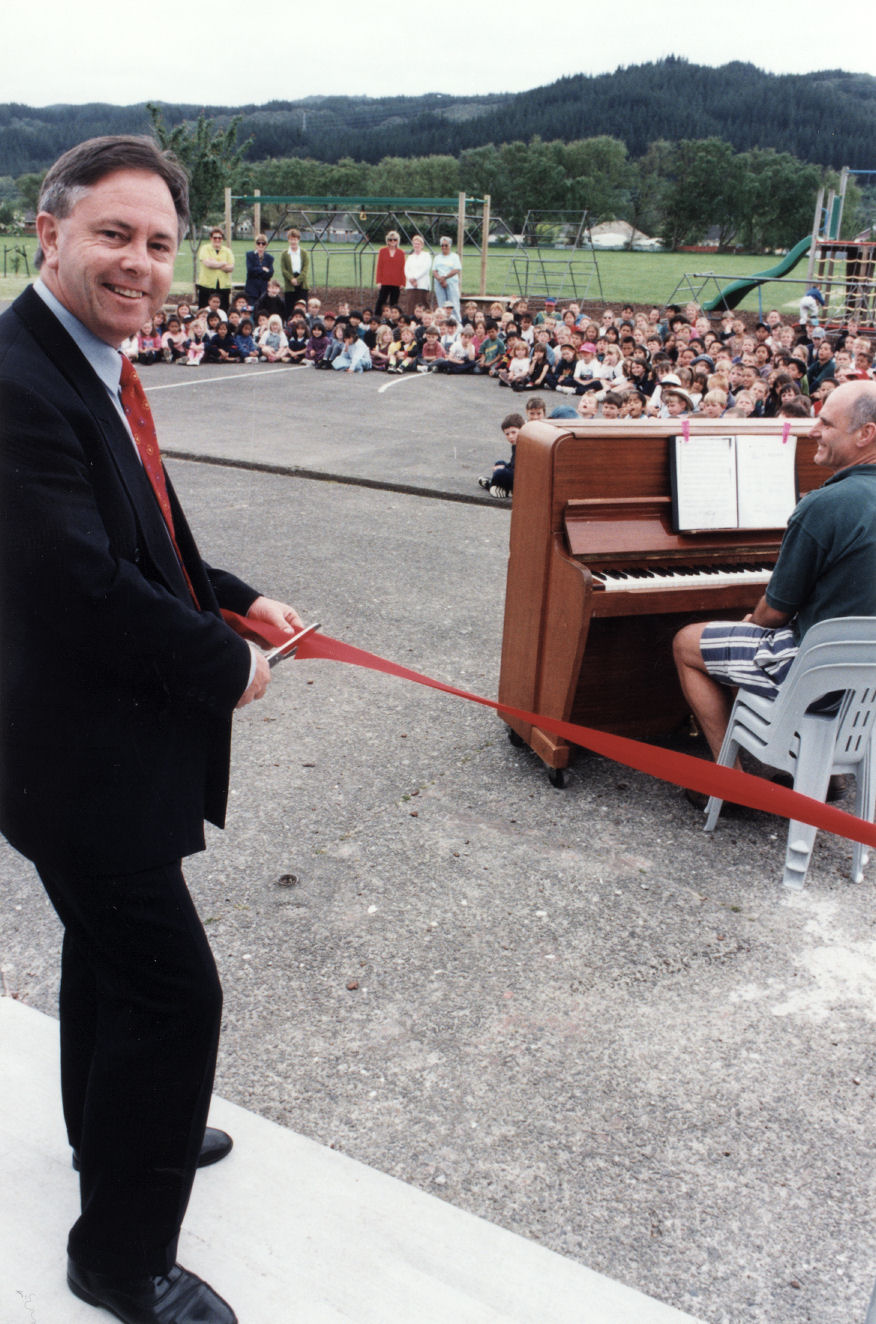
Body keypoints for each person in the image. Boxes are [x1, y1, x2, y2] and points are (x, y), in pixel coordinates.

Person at [0, 135, 304, 1324]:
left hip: (83, 752)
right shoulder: (18, 383)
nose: (141, 263)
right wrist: (223, 663)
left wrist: (230, 594)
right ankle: (122, 1256)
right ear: (52, 232)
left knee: (107, 956)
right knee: (176, 995)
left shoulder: (84, 363)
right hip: (76, 761)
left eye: (162, 244)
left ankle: (111, 1133)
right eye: (115, 235)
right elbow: (74, 584)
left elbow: (143, 529)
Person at [673, 381, 876, 794]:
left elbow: (775, 612)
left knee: (685, 642)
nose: (811, 431)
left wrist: (755, 619)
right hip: (867, 686)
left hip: (817, 680)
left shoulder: (826, 504)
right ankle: (826, 768)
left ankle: (730, 780)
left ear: (865, 434)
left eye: (825, 422)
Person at [477, 412, 522, 499]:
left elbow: (518, 470)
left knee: (499, 473)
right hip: (515, 473)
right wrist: (504, 466)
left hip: (521, 479)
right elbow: (513, 464)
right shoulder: (515, 445)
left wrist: (504, 469)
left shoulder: (523, 445)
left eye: (514, 432)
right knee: (499, 463)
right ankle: (500, 486)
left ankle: (491, 485)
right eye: (507, 434)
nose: (511, 436)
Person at [195, 226, 235, 311]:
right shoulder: (205, 248)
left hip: (223, 286)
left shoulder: (227, 251)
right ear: (211, 238)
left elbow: (231, 268)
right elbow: (208, 264)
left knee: (223, 311)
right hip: (207, 286)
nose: (217, 240)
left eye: (219, 238)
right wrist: (223, 263)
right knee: (204, 311)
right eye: (215, 237)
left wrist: (215, 263)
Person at [279, 227, 309, 318]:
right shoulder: (284, 254)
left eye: (295, 239)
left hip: (301, 283)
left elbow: (305, 268)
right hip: (290, 284)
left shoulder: (304, 253)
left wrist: (298, 279)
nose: (293, 242)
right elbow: (283, 269)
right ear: (288, 240)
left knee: (301, 308)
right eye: (291, 239)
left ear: (298, 240)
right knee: (289, 308)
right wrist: (291, 279)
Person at [374, 230, 405, 316]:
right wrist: (379, 281)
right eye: (390, 240)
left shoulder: (401, 253)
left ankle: (392, 320)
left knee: (394, 303)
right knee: (381, 301)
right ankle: (378, 319)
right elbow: (379, 267)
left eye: (394, 239)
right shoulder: (382, 251)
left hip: (396, 282)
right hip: (385, 281)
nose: (392, 242)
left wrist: (403, 282)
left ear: (397, 241)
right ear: (387, 241)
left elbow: (403, 268)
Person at [432, 235, 461, 324]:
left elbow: (456, 269)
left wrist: (445, 277)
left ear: (450, 246)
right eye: (442, 245)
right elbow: (434, 270)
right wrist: (440, 279)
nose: (444, 247)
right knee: (442, 304)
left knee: (453, 304)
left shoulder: (454, 256)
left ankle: (457, 322)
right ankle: (443, 323)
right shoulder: (437, 257)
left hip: (451, 282)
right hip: (439, 283)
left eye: (446, 245)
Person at [402, 233, 431, 316]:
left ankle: (425, 320)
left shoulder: (426, 256)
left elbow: (426, 268)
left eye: (418, 244)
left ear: (422, 245)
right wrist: (410, 279)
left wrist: (415, 278)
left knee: (422, 304)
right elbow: (406, 269)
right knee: (410, 305)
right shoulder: (410, 257)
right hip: (410, 285)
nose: (416, 245)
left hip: (422, 284)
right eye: (415, 243)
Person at [244, 233, 274, 306]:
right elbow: (250, 270)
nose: (260, 245)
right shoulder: (250, 255)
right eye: (258, 243)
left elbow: (270, 273)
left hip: (263, 290)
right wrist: (263, 269)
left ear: (266, 245)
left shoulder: (270, 258)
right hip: (252, 290)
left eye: (263, 243)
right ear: (256, 244)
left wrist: (257, 270)